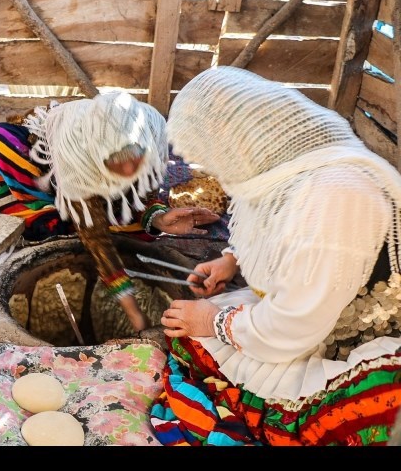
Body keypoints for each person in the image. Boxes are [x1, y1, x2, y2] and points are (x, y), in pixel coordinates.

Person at [150, 66, 401, 446]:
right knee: (189, 340)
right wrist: (231, 261)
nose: (217, 166)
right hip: (311, 305)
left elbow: (294, 326)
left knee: (355, 416)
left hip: (338, 333)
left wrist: (215, 321)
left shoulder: (336, 196)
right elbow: (270, 218)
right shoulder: (288, 166)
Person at [0, 92, 219, 332]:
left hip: (83, 169)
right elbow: (96, 239)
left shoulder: (147, 143)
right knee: (53, 222)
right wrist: (136, 317)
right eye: (118, 161)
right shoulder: (82, 162)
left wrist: (158, 217)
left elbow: (144, 194)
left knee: (111, 210)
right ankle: (55, 201)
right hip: (28, 160)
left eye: (136, 158)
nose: (130, 167)